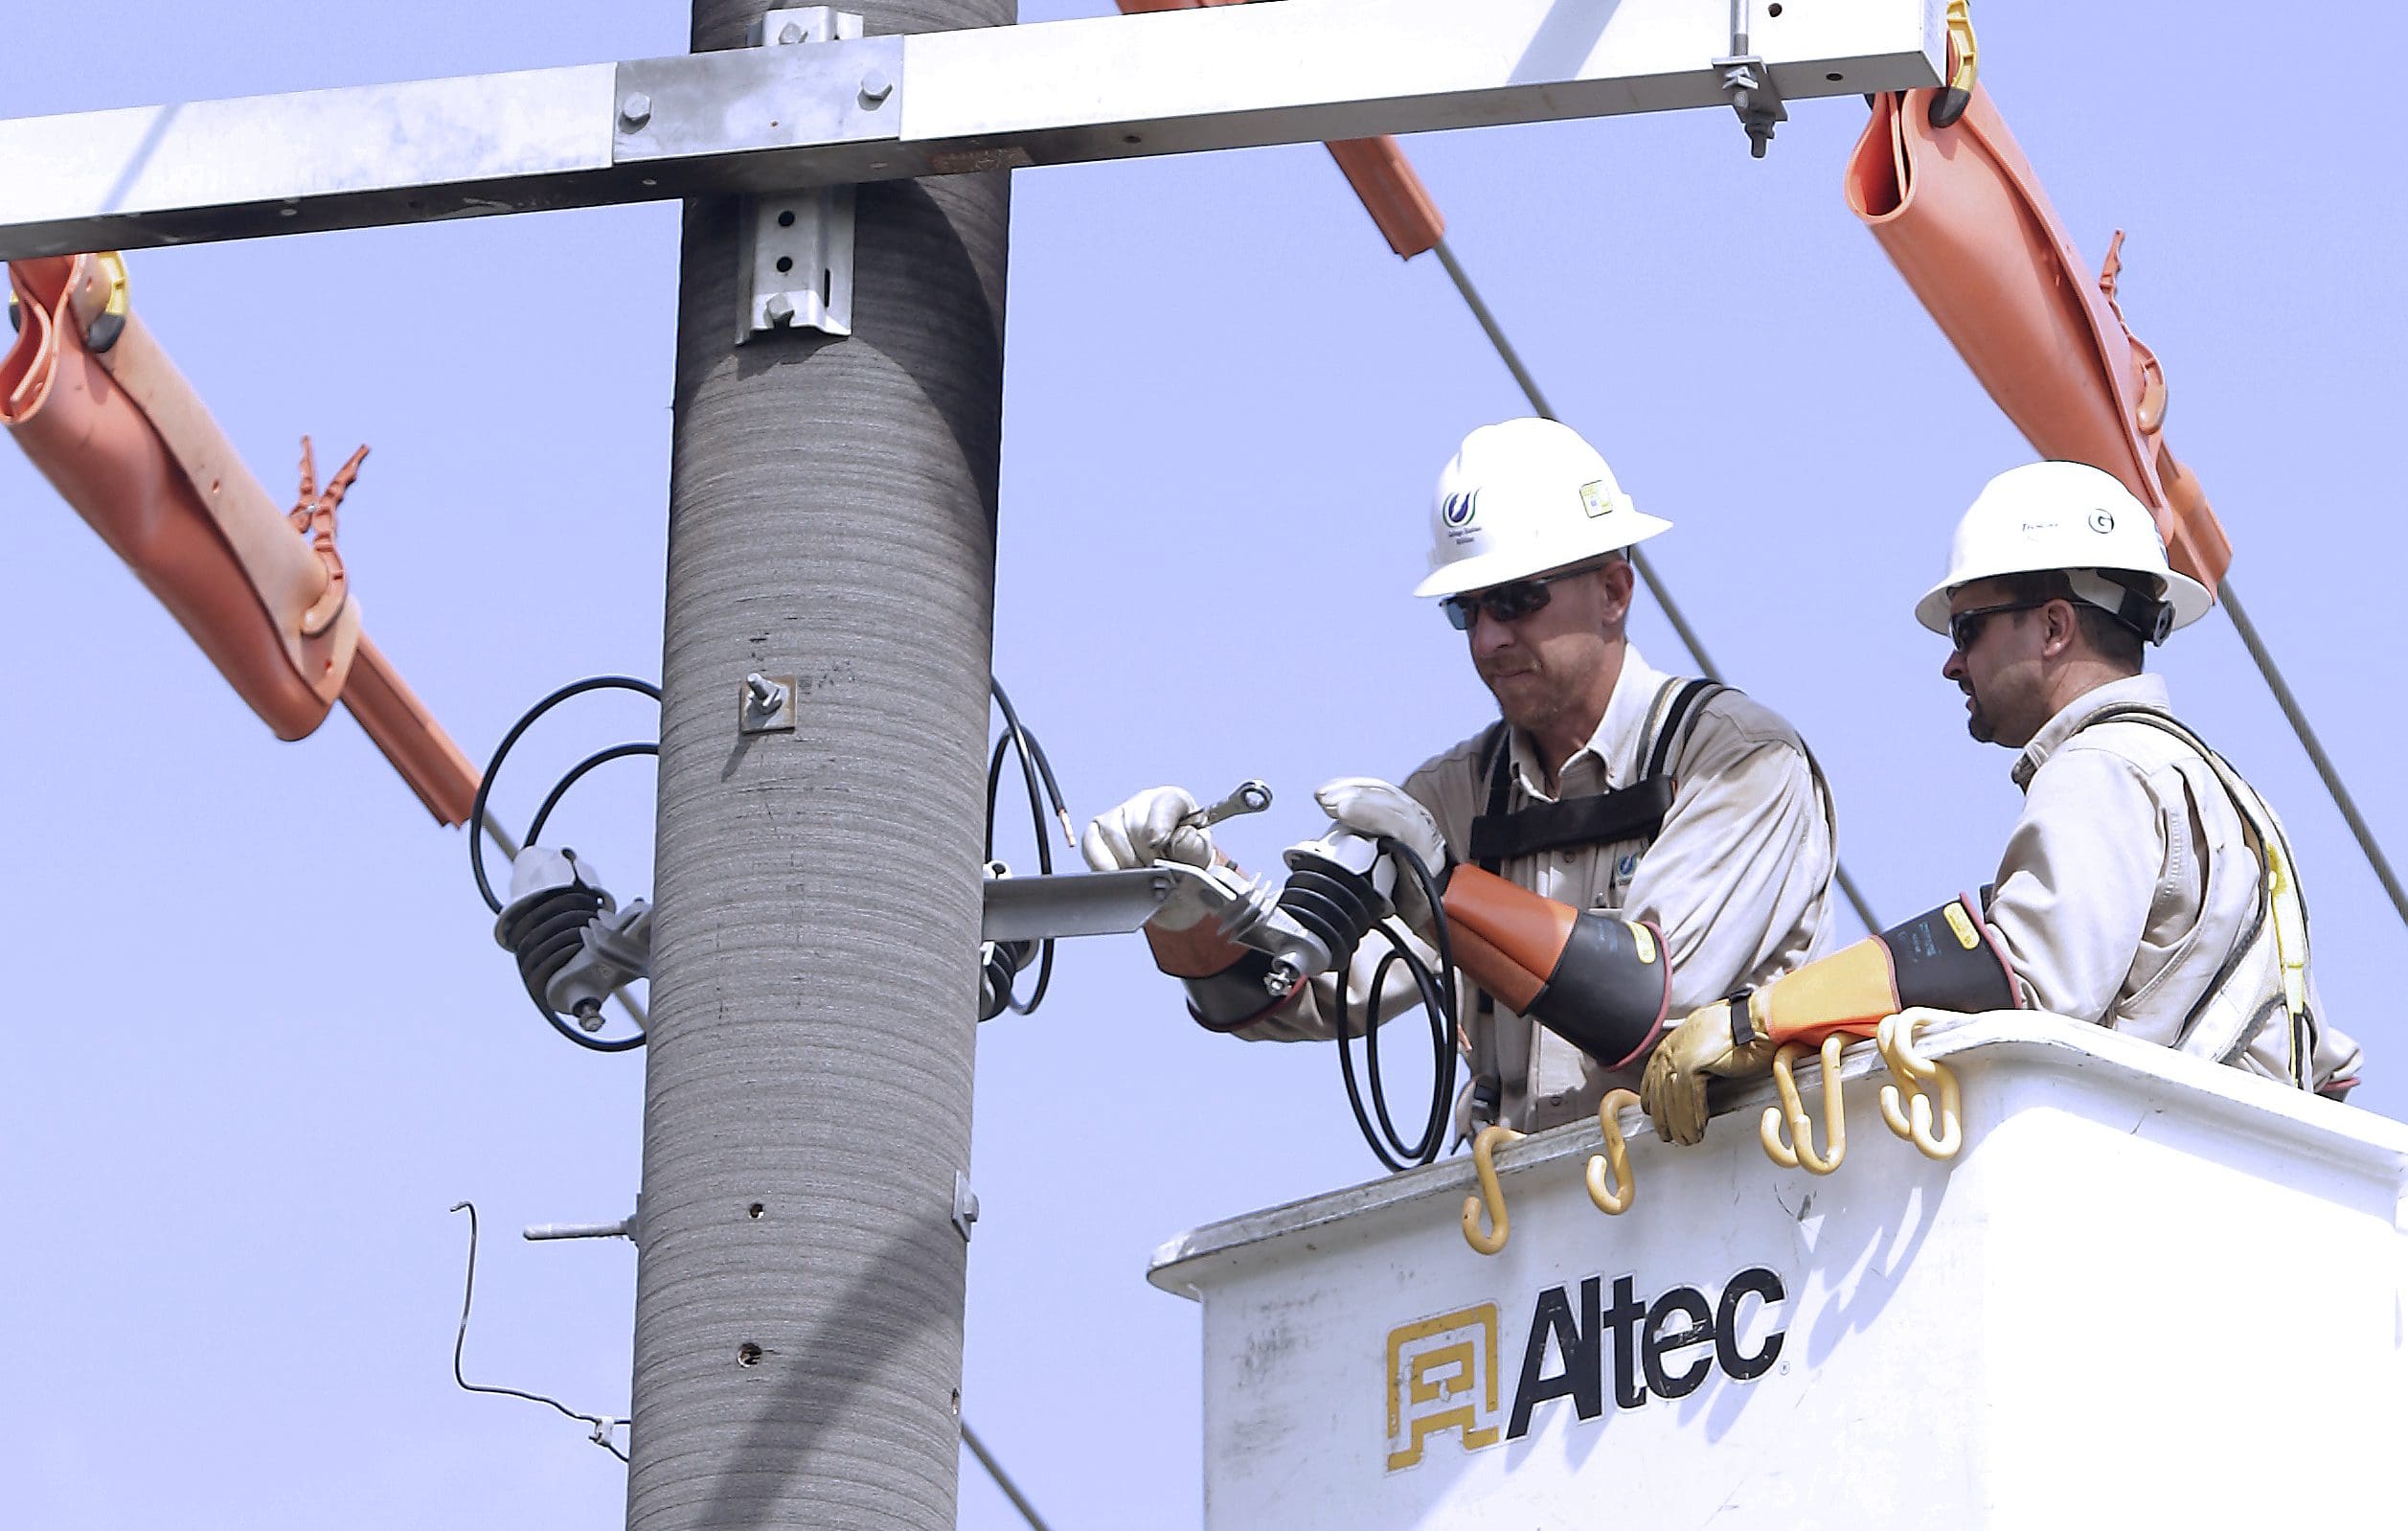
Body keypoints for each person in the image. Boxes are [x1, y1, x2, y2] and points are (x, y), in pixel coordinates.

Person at [1084, 417, 1839, 1134]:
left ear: (1614, 590)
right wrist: (1190, 900)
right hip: (1532, 1228)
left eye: (1516, 599)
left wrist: (1446, 889)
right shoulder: (1456, 797)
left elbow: (1650, 1003)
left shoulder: (1736, 761)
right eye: (1466, 609)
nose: (1488, 638)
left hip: (1731, 1217)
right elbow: (1280, 994)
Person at [1641, 460, 2362, 1144]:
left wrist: (1761, 1019)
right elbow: (2325, 1070)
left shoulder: (2100, 768)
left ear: (2053, 628)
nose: (1952, 662)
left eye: (1968, 628)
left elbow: (2025, 978)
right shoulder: (2228, 794)